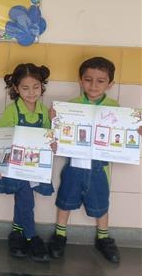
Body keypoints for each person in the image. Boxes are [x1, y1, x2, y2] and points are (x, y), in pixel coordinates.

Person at [48, 57, 142, 263]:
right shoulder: (69, 106)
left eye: (100, 81)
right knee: (65, 200)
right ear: (80, 80)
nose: (93, 85)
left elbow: (122, 135)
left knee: (101, 204)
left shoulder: (115, 108)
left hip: (100, 169)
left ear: (110, 84)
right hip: (74, 165)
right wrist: (54, 120)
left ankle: (103, 238)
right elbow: (57, 135)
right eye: (88, 79)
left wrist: (135, 132)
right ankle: (60, 235)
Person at [0, 63, 54, 262]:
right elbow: (1, 138)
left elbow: (48, 138)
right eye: (25, 88)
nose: (31, 92)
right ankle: (31, 236)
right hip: (13, 166)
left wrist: (54, 133)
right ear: (16, 89)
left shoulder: (44, 112)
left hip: (33, 167)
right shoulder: (12, 111)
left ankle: (17, 233)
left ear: (42, 87)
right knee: (26, 199)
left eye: (36, 87)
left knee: (23, 199)